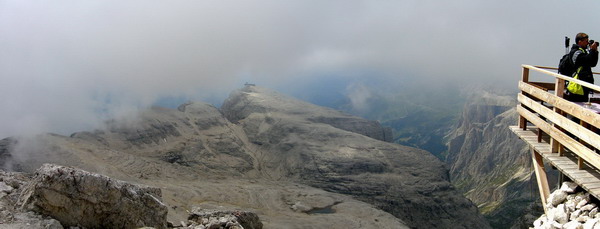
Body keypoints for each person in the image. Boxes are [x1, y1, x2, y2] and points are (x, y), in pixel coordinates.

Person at [566, 32, 599, 102]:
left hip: (583, 87)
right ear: (579, 42)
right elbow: (587, 60)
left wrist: (595, 51)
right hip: (577, 86)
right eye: (586, 41)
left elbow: (592, 63)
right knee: (575, 108)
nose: (587, 43)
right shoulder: (575, 52)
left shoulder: (583, 51)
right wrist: (592, 50)